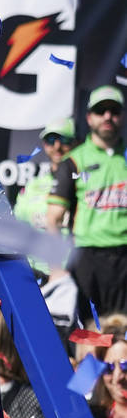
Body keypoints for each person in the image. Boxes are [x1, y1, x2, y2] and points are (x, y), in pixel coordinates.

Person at [47, 85, 127, 317]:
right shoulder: (74, 161)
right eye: (101, 111)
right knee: (88, 335)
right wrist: (55, 268)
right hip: (86, 259)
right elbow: (53, 219)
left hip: (124, 257)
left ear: (121, 116)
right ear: (89, 117)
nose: (107, 117)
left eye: (113, 111)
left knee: (123, 336)